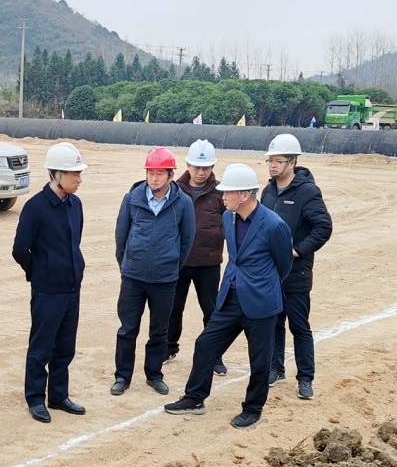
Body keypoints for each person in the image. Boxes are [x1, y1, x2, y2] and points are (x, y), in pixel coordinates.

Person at [164, 163, 292, 429]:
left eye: (228, 193)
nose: (222, 197)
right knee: (205, 345)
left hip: (261, 303)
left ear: (244, 195)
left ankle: (253, 409)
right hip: (231, 298)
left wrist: (260, 285)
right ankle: (195, 398)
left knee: (259, 361)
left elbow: (284, 265)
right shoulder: (228, 218)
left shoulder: (274, 225)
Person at [12, 142, 88, 423]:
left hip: (71, 288)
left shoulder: (75, 204)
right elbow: (20, 249)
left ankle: (58, 395)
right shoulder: (35, 207)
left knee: (65, 347)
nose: (79, 179)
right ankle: (35, 398)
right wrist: (39, 273)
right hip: (47, 291)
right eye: (75, 174)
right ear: (57, 174)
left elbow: (75, 241)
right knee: (41, 347)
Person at [111, 147, 195, 397]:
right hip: (133, 278)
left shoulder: (183, 203)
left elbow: (187, 240)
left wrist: (171, 266)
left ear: (171, 175)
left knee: (159, 330)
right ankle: (122, 376)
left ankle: (154, 375)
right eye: (150, 173)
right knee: (127, 329)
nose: (154, 178)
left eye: (160, 174)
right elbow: (121, 235)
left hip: (164, 279)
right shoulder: (132, 198)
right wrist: (127, 264)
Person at [260, 134, 332, 400]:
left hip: (296, 272)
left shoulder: (307, 192)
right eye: (270, 161)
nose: (273, 165)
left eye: (278, 161)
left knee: (299, 326)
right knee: (274, 323)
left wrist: (297, 250)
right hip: (272, 271)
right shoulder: (268, 191)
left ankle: (305, 378)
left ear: (292, 162)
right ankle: (275, 368)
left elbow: (323, 227)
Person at [165, 139, 228, 375]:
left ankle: (214, 355)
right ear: (188, 165)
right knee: (173, 308)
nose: (201, 172)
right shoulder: (174, 189)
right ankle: (168, 347)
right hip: (179, 262)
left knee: (212, 311)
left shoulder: (221, 192)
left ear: (212, 167)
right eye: (197, 167)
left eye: (206, 167)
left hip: (209, 263)